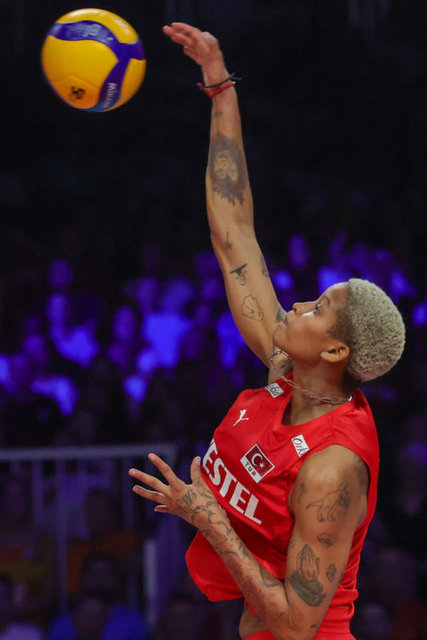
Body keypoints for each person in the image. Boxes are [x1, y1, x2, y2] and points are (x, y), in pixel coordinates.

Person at [129, 23, 406, 640]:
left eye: (318, 307)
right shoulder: (288, 373)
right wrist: (220, 87)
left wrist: (208, 518)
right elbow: (233, 234)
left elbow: (300, 625)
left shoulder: (332, 468)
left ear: (335, 350)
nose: (297, 304)